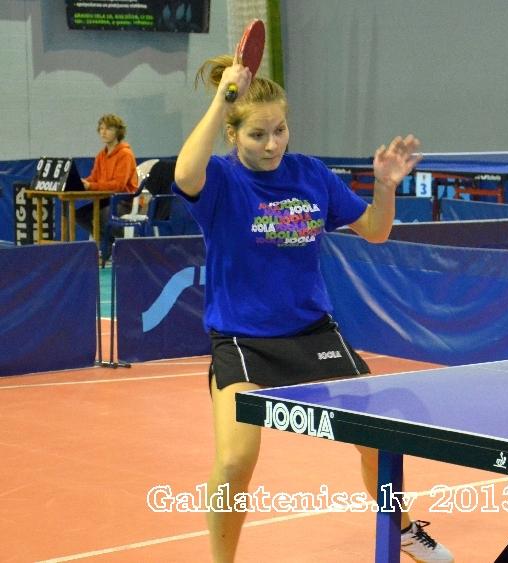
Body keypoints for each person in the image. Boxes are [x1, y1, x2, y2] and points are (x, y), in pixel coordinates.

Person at [173, 54, 454, 563]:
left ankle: (405, 532)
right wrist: (222, 99)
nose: (273, 144)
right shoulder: (220, 180)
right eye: (258, 134)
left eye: (280, 130)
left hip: (313, 333)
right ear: (233, 134)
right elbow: (184, 172)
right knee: (235, 461)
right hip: (243, 340)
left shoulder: (311, 174)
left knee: (378, 442)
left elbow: (376, 231)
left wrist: (385, 187)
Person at [75, 114, 138, 251]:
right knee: (79, 215)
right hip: (105, 200)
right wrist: (83, 182)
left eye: (108, 128)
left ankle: (117, 247)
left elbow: (118, 186)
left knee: (103, 216)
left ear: (118, 131)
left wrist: (91, 186)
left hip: (123, 201)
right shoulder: (101, 155)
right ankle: (107, 243)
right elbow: (94, 178)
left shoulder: (125, 154)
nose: (103, 132)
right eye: (101, 128)